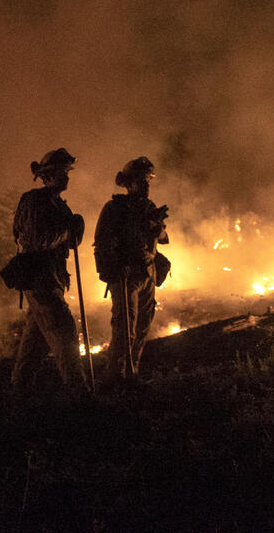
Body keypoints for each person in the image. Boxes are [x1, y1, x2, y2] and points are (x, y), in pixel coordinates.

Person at [11, 148, 87, 394]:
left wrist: (75, 229)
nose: (67, 177)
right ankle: (81, 396)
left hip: (52, 279)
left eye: (67, 172)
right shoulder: (35, 201)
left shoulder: (58, 205)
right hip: (40, 280)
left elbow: (70, 242)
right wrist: (67, 229)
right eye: (62, 172)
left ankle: (18, 394)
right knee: (64, 332)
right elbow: (37, 239)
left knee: (34, 345)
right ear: (48, 175)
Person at [94, 156, 169, 385]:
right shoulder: (115, 208)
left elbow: (164, 238)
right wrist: (112, 270)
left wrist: (156, 228)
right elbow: (101, 243)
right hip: (125, 276)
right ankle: (114, 377)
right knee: (125, 328)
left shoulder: (149, 207)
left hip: (147, 273)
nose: (146, 184)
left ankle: (131, 372)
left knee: (143, 325)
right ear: (128, 183)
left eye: (148, 179)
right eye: (141, 180)